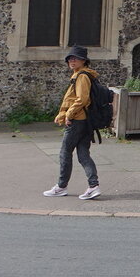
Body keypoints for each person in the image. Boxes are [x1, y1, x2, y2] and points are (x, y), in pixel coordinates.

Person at [43, 45, 102, 200]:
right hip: (84, 120)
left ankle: (61, 186)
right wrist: (62, 113)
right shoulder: (80, 75)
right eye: (70, 58)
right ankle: (93, 186)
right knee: (83, 154)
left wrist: (68, 114)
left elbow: (82, 99)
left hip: (77, 120)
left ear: (84, 61)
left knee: (64, 152)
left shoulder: (82, 76)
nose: (72, 60)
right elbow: (72, 99)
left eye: (76, 58)